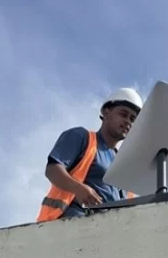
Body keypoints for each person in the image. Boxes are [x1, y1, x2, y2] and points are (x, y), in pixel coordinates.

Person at [36, 87, 143, 222]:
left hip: (109, 233)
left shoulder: (122, 165)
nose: (128, 121)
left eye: (133, 119)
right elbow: (52, 170)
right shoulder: (82, 137)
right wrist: (79, 189)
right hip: (69, 224)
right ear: (106, 112)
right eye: (123, 114)